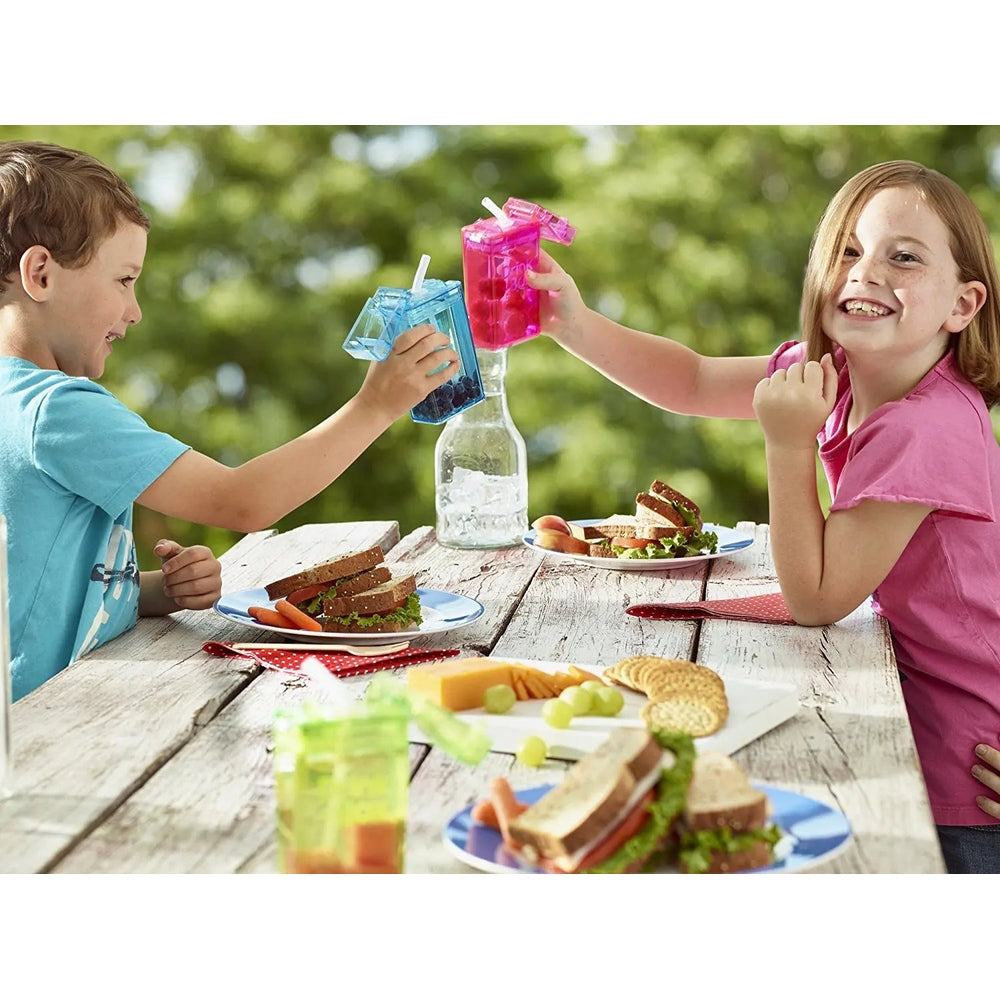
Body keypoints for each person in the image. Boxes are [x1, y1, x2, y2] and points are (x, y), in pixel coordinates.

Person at [527, 159, 1000, 874]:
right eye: (848, 249)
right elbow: (691, 381)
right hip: (927, 726)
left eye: (902, 257)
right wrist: (574, 323)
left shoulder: (924, 428)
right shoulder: (835, 371)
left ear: (962, 306)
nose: (865, 272)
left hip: (967, 776)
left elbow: (815, 599)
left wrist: (787, 442)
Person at [0, 140, 458, 703]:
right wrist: (377, 405)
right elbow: (242, 503)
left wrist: (152, 592)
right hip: (50, 723)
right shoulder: (57, 407)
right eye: (124, 280)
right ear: (41, 274)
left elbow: (27, 586)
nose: (135, 310)